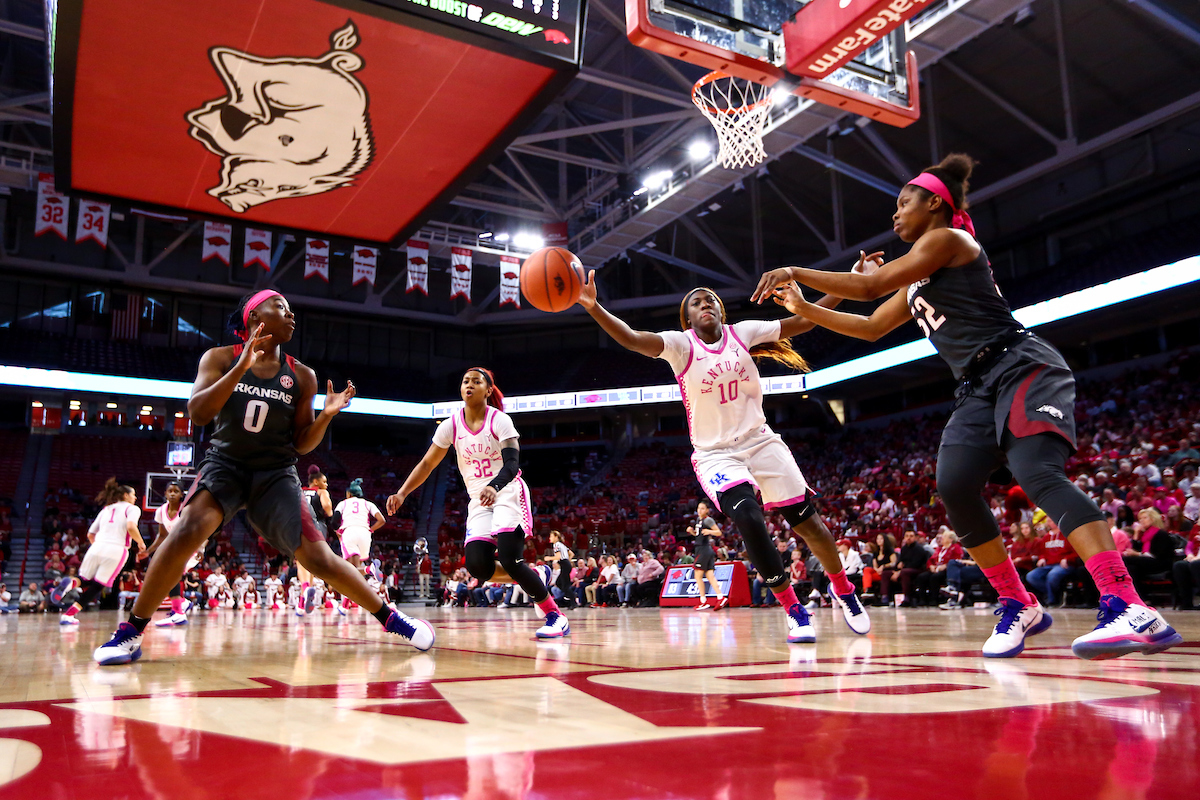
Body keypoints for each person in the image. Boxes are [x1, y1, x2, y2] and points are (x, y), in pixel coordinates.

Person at [756, 153, 1179, 660]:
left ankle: (1129, 604)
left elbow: (868, 287)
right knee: (954, 486)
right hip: (976, 387)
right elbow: (870, 326)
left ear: (934, 202)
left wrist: (795, 270)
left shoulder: (950, 239)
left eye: (903, 203)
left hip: (1021, 365)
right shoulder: (917, 275)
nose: (894, 215)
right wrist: (803, 308)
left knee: (1037, 472)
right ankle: (1016, 603)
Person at [93, 290, 433, 665]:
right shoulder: (219, 358)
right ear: (255, 316)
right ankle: (132, 632)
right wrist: (241, 367)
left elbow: (302, 445)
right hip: (225, 465)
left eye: (290, 309)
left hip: (275, 473)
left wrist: (326, 416)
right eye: (281, 307)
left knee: (319, 558)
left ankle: (392, 618)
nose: (291, 315)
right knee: (186, 529)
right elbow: (199, 414)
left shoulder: (302, 374)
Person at [578, 277, 870, 643]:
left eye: (710, 300)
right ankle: (794, 608)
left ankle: (843, 590)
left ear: (721, 311)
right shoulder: (680, 346)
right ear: (687, 319)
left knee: (809, 525)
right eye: (697, 302)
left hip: (760, 441)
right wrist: (593, 306)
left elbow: (805, 320)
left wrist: (852, 284)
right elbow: (633, 338)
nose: (705, 305)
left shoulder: (742, 332)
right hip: (715, 454)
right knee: (748, 516)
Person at [388, 367, 568, 639]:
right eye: (465, 381)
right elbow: (427, 463)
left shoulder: (500, 420)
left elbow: (512, 464)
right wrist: (402, 493)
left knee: (510, 559)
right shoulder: (451, 425)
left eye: (476, 381)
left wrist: (494, 487)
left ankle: (555, 615)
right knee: (477, 567)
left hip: (507, 491)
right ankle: (538, 575)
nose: (469, 385)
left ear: (488, 389)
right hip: (479, 499)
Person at [53, 478, 147, 625]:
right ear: (126, 496)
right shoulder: (132, 508)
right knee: (98, 585)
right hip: (116, 549)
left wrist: (99, 547)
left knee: (83, 580)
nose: (135, 497)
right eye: (133, 494)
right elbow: (131, 526)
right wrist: (141, 542)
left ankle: (69, 584)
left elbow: (90, 534)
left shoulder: (106, 509)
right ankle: (68, 615)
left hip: (96, 547)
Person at [145, 482, 206, 627]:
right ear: (165, 493)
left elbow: (202, 529)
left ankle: (178, 612)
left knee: (170, 574)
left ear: (181, 495)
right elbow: (161, 536)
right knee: (162, 577)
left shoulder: (186, 510)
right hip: (174, 548)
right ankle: (182, 603)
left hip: (191, 547)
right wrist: (147, 551)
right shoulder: (160, 511)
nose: (172, 493)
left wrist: (202, 548)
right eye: (170, 491)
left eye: (176, 491)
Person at [333, 478, 385, 615]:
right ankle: (344, 605)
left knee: (348, 571)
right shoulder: (368, 503)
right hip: (365, 535)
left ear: (349, 494)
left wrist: (337, 532)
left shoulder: (343, 503)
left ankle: (368, 569)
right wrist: (371, 530)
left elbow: (333, 521)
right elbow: (382, 520)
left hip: (349, 533)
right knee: (354, 572)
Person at [298, 465, 334, 615]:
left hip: (301, 525)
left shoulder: (299, 491)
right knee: (311, 563)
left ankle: (306, 588)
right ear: (316, 482)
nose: (326, 484)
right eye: (324, 481)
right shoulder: (321, 491)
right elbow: (327, 507)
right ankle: (302, 603)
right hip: (318, 526)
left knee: (301, 560)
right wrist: (329, 512)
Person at [691, 500, 726, 610]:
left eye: (702, 508)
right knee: (710, 575)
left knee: (698, 575)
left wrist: (710, 532)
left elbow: (719, 532)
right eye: (698, 508)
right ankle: (720, 597)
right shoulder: (698, 520)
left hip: (704, 550)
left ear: (707, 510)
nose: (699, 510)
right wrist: (691, 531)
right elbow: (699, 535)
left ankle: (703, 601)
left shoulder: (708, 520)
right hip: (702, 549)